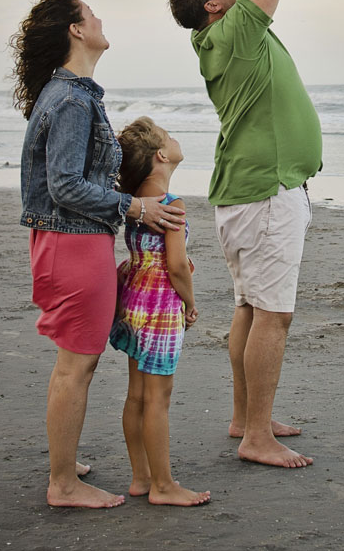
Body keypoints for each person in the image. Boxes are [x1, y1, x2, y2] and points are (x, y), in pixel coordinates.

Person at [168, 0, 318, 468]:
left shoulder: (224, 29)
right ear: (212, 4)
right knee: (273, 316)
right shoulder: (234, 31)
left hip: (248, 191)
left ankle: (243, 417)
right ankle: (257, 434)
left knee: (251, 308)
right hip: (265, 192)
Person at [11, 0, 185, 509]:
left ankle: (65, 462)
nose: (100, 17)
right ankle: (63, 484)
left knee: (74, 364)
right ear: (76, 31)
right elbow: (64, 184)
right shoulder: (70, 99)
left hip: (71, 241)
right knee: (76, 367)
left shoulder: (70, 94)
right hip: (73, 243)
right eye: (91, 13)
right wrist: (136, 208)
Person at [109, 116, 210, 506]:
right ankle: (164, 486)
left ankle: (141, 477)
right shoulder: (171, 204)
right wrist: (190, 301)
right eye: (170, 136)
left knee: (136, 394)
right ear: (162, 155)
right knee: (158, 399)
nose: (175, 138)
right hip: (161, 305)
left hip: (133, 296)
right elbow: (177, 265)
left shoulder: (138, 201)